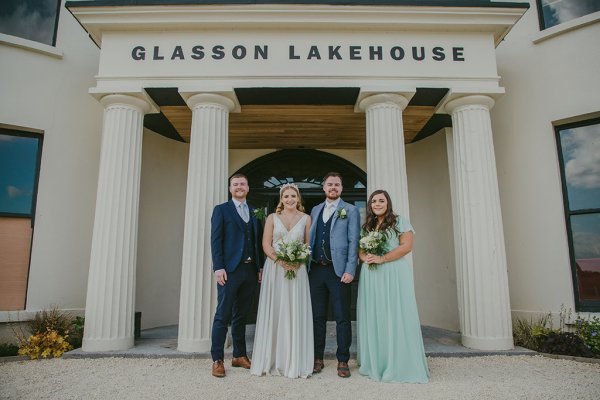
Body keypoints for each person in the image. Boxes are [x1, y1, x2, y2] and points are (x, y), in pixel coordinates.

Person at [357, 189, 429, 383]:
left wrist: (383, 258)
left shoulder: (400, 221)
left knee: (395, 314)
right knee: (375, 314)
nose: (377, 204)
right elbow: (361, 250)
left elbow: (406, 246)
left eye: (381, 201)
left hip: (393, 272)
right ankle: (376, 362)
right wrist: (367, 258)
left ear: (388, 203)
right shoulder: (368, 225)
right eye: (374, 201)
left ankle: (399, 363)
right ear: (370, 205)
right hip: (371, 274)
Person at [251, 183, 314, 378]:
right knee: (276, 308)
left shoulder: (306, 218)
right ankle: (271, 359)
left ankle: (295, 360)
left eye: (293, 196)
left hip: (298, 269)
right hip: (275, 269)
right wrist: (280, 261)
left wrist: (298, 260)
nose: (289, 199)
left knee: (294, 309)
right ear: (281, 198)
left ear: (298, 198)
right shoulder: (272, 218)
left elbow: (308, 245)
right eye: (286, 196)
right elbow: (265, 244)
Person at [210, 174, 264, 378]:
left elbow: (257, 242)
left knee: (241, 315)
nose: (239, 187)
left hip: (250, 271)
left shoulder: (254, 211)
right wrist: (218, 267)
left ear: (248, 188)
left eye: (242, 184)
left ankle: (239, 355)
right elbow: (216, 240)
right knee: (222, 315)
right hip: (229, 271)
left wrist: (260, 267)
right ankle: (217, 359)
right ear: (230, 188)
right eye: (235, 184)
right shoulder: (221, 210)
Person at [308, 172, 360, 378]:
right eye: (330, 184)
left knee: (342, 318)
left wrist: (350, 269)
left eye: (337, 185)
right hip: (316, 270)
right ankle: (317, 358)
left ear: (341, 188)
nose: (333, 188)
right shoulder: (315, 210)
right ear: (323, 187)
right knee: (317, 317)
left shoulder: (351, 210)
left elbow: (353, 241)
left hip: (338, 272)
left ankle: (343, 360)